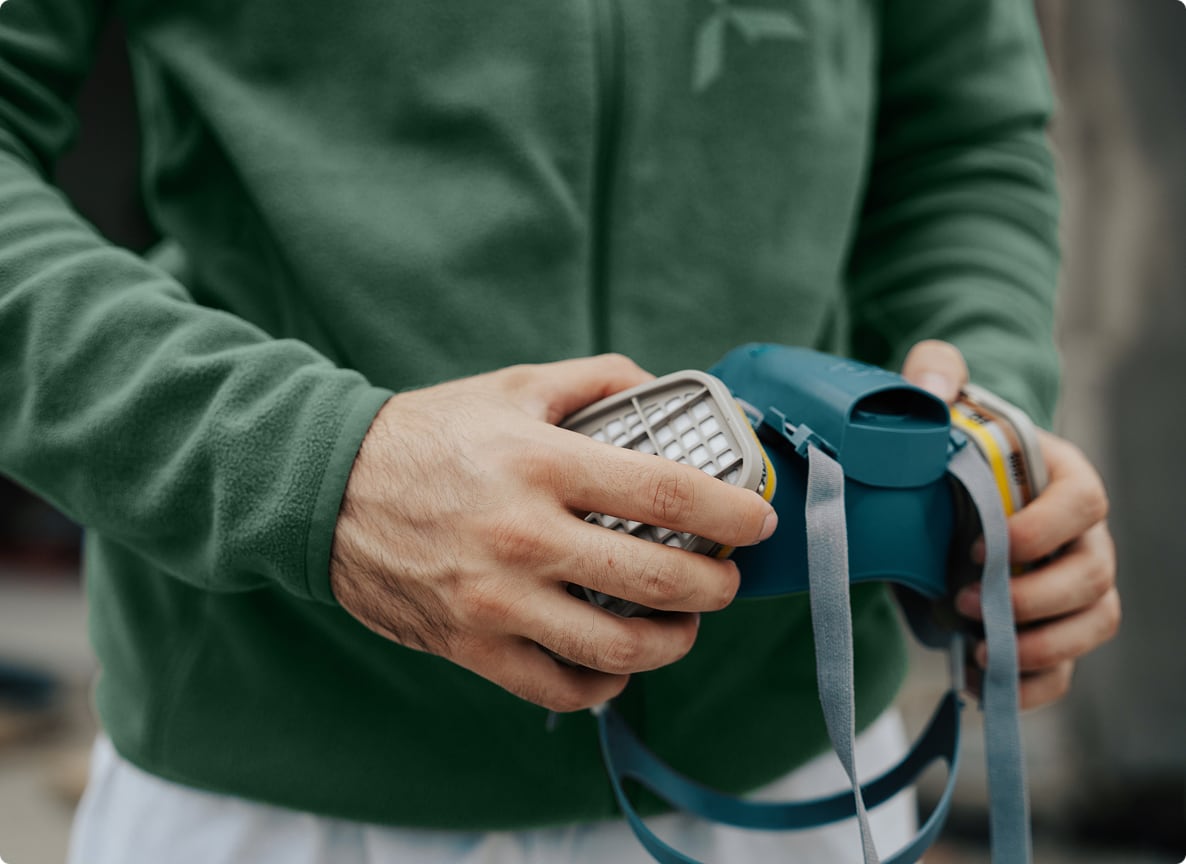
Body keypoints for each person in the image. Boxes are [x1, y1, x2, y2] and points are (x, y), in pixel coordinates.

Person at [0, 0, 1119, 861]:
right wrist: (318, 475)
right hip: (281, 783)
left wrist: (978, 436)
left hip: (799, 777)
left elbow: (958, 140)